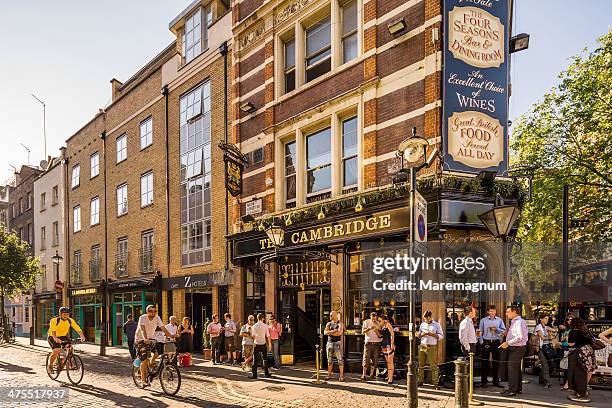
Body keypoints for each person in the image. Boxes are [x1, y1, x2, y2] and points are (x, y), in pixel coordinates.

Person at [134, 305, 171, 387]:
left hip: (151, 339)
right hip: (140, 340)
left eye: (155, 311)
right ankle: (143, 381)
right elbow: (142, 329)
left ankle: (152, 362)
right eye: (151, 311)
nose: (153, 313)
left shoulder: (157, 318)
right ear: (147, 312)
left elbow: (163, 328)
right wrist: (145, 338)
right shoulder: (142, 318)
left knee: (158, 352)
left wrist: (171, 336)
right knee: (145, 360)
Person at [47, 307, 86, 374]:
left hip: (63, 336)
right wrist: (55, 338)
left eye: (67, 314)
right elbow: (53, 330)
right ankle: (50, 366)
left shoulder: (70, 320)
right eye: (64, 314)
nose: (66, 316)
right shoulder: (54, 320)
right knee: (57, 350)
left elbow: (77, 328)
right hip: (52, 337)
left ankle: (65, 362)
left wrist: (82, 336)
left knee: (70, 348)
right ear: (60, 314)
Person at [499, 305, 527, 397]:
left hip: (517, 348)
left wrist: (508, 343)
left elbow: (521, 337)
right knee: (516, 369)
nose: (506, 314)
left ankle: (512, 390)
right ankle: (517, 389)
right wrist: (506, 334)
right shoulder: (514, 322)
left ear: (514, 312)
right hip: (515, 347)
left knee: (512, 370)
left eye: (508, 312)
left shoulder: (519, 322)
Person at [567, 317, 595, 403]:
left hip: (579, 354)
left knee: (578, 374)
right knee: (584, 373)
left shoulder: (573, 332)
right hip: (589, 353)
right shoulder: (586, 331)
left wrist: (562, 342)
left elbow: (571, 344)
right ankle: (583, 391)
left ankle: (580, 393)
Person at [478, 305, 505, 388]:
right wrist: (481, 341)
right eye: (491, 311)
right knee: (484, 362)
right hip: (486, 341)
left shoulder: (499, 320)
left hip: (496, 342)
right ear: (487, 312)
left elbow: (504, 331)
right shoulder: (483, 320)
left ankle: (496, 381)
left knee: (496, 362)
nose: (492, 312)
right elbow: (479, 331)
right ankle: (484, 381)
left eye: (494, 311)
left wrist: (496, 329)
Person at [417, 310, 444, 388]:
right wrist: (421, 335)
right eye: (425, 318)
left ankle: (435, 383)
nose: (426, 320)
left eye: (427, 318)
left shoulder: (436, 325)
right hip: (422, 346)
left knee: (433, 366)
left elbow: (441, 336)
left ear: (430, 317)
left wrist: (430, 334)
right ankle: (420, 381)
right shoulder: (422, 324)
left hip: (431, 347)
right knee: (421, 365)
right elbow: (419, 335)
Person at [324, 310, 344, 381]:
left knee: (340, 360)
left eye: (331, 315)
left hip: (337, 343)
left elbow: (339, 333)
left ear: (335, 315)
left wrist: (330, 332)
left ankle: (341, 376)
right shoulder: (328, 324)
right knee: (329, 360)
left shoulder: (340, 323)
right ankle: (329, 375)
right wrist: (333, 331)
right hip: (329, 343)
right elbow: (325, 332)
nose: (330, 316)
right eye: (330, 315)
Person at [361, 312, 382, 381]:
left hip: (377, 344)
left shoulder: (379, 323)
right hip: (368, 343)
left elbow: (381, 333)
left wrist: (376, 329)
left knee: (375, 360)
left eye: (375, 317)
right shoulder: (366, 322)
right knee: (366, 358)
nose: (373, 319)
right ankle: (363, 375)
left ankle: (371, 375)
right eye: (372, 317)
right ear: (370, 316)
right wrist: (369, 328)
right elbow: (363, 331)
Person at [250, 313, 272, 379]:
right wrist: (270, 344)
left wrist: (253, 333)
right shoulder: (265, 326)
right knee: (265, 359)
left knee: (255, 359)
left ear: (257, 318)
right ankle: (266, 374)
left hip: (256, 344)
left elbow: (253, 336)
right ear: (262, 318)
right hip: (263, 344)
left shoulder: (254, 326)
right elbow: (268, 336)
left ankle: (254, 375)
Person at [535, 314, 553, 389]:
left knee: (545, 363)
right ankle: (547, 382)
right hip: (540, 348)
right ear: (541, 319)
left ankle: (541, 379)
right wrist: (549, 337)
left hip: (546, 347)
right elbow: (542, 337)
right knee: (545, 364)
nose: (547, 320)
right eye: (545, 318)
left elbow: (553, 330)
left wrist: (551, 333)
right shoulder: (539, 326)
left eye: (547, 319)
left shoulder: (545, 327)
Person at [379, 314, 396, 384]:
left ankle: (391, 378)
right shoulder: (382, 326)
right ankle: (389, 376)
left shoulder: (388, 324)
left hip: (389, 344)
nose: (379, 321)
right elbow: (381, 335)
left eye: (380, 320)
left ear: (383, 319)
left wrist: (392, 343)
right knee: (387, 362)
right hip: (384, 344)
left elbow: (392, 334)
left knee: (390, 361)